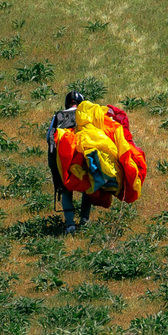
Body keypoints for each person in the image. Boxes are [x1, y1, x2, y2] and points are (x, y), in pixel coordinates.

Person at [46, 89, 94, 232]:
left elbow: (49, 137)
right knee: (88, 186)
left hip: (63, 159)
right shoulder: (86, 114)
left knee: (65, 189)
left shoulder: (58, 116)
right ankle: (84, 219)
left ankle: (70, 224)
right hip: (82, 157)